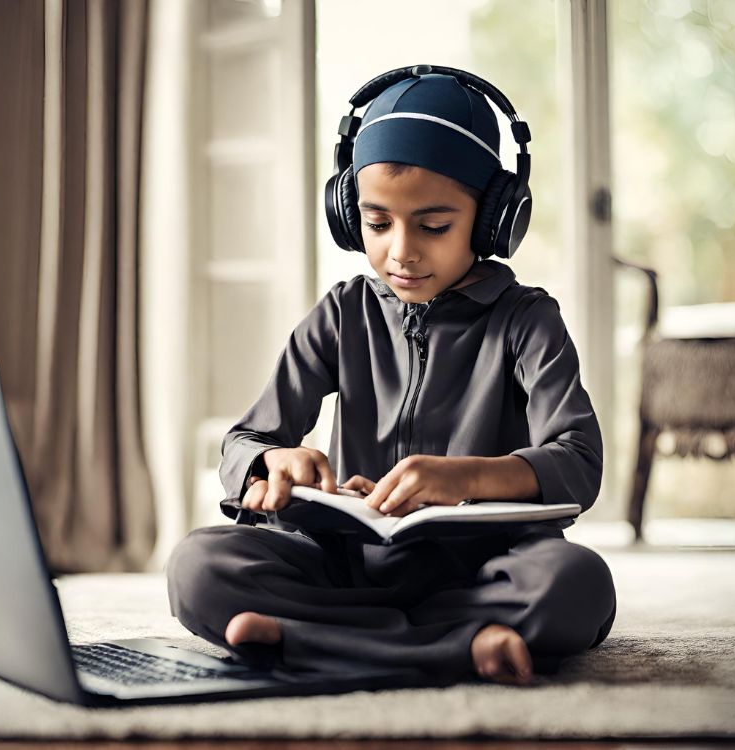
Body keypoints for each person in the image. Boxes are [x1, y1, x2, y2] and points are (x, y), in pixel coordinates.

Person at [166, 66, 617, 686]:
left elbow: (579, 461)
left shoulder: (527, 320)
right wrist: (271, 465)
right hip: (348, 563)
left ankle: (310, 641)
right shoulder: (341, 313)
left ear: (493, 221)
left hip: (486, 569)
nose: (401, 250)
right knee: (198, 565)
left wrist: (466, 477)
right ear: (351, 216)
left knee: (577, 585)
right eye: (378, 224)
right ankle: (462, 648)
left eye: (434, 226)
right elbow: (246, 441)